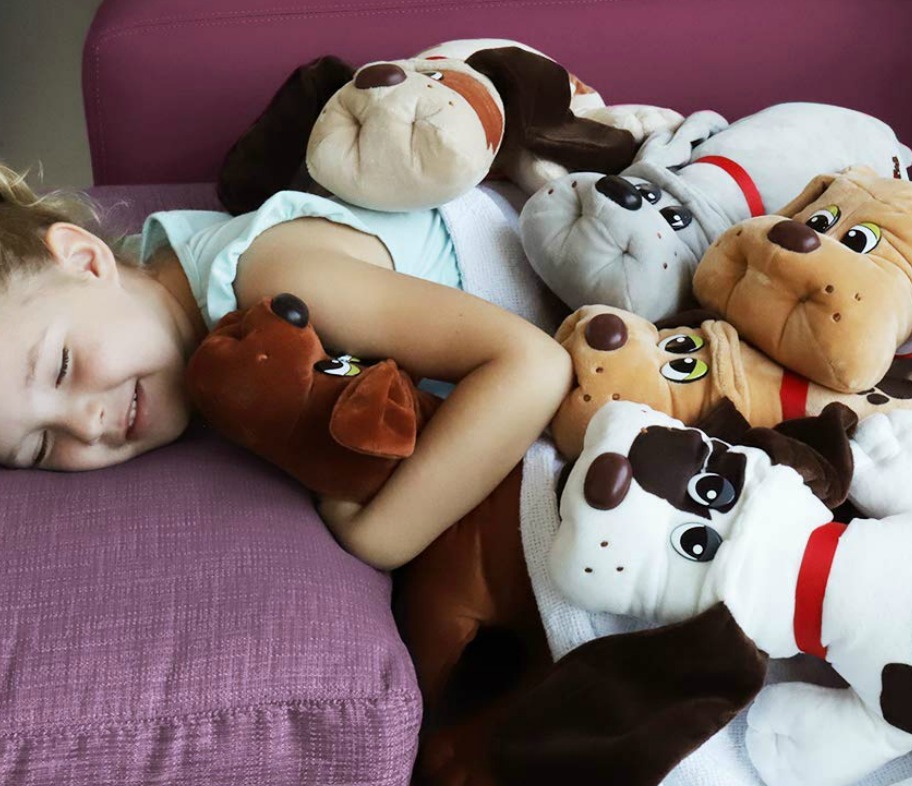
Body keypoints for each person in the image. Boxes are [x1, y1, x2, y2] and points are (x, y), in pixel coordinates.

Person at [0, 164, 573, 570]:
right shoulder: (167, 311)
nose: (85, 422)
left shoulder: (272, 279)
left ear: (86, 259)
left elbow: (532, 365)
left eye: (60, 368)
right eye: (40, 447)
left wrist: (381, 538)